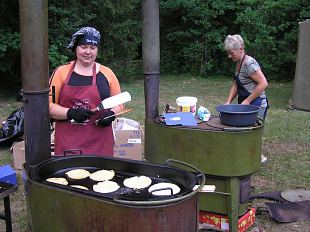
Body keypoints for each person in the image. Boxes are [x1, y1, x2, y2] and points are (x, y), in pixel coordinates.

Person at [49, 26, 124, 156]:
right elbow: (48, 106)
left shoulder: (107, 73)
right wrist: (70, 113)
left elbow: (120, 103)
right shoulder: (61, 72)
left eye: (92, 48)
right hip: (69, 143)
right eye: (83, 47)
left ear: (97, 50)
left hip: (100, 142)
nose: (88, 52)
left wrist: (111, 114)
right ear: (75, 48)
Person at [223, 34, 268, 121]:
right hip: (246, 104)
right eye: (228, 53)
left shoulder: (249, 64)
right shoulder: (239, 63)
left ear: (240, 49)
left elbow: (263, 83)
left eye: (231, 53)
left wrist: (247, 100)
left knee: (252, 133)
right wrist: (228, 102)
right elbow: (236, 84)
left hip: (256, 104)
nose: (229, 56)